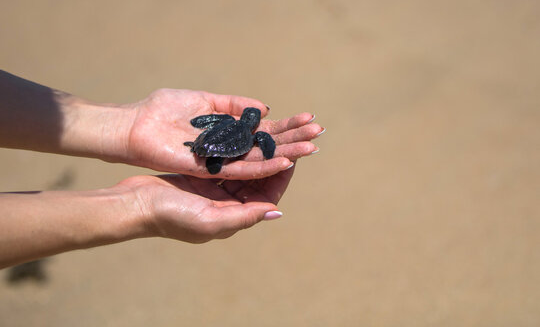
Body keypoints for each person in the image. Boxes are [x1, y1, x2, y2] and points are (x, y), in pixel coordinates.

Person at [0, 70, 324, 269]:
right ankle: (211, 162)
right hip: (224, 146)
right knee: (218, 162)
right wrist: (141, 207)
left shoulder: (226, 121)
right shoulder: (255, 135)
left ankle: (208, 158)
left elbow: (204, 123)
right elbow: (261, 143)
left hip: (209, 141)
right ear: (255, 126)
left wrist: (130, 127)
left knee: (211, 156)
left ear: (246, 121)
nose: (253, 120)